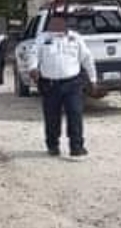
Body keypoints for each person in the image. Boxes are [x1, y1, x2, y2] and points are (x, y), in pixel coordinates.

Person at [25, 14, 97, 157]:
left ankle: (76, 147)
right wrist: (33, 68)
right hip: (49, 84)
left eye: (58, 22)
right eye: (53, 22)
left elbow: (87, 59)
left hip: (72, 83)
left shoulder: (75, 38)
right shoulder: (43, 38)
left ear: (65, 23)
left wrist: (93, 79)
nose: (54, 25)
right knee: (52, 117)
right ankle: (53, 145)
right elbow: (33, 54)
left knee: (75, 114)